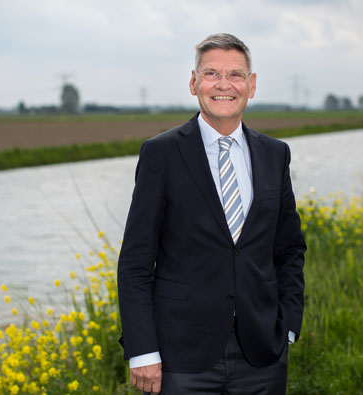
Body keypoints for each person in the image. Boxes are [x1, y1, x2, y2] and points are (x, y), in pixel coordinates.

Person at [117, 33, 306, 394]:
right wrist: (142, 351)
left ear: (251, 86)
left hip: (262, 353)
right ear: (194, 83)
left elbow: (289, 250)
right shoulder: (161, 154)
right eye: (211, 74)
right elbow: (136, 261)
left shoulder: (275, 154)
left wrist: (289, 325)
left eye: (235, 75)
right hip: (180, 356)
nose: (223, 85)